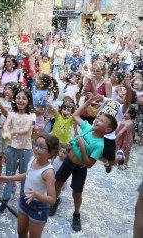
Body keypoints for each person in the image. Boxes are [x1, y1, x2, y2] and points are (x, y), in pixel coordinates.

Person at [49, 93, 118, 232]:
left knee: (77, 193)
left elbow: (89, 164)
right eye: (98, 117)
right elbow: (75, 116)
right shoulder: (88, 128)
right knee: (58, 183)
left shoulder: (99, 144)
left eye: (101, 120)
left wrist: (82, 147)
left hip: (80, 168)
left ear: (108, 129)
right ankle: (55, 201)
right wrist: (87, 103)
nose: (97, 119)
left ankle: (76, 214)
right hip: (68, 161)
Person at [0, 134, 59, 238]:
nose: (36, 149)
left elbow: (52, 199)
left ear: (51, 153)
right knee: (21, 231)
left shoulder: (48, 172)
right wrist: (8, 178)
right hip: (24, 200)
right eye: (35, 144)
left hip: (38, 207)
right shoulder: (33, 159)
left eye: (41, 147)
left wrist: (36, 195)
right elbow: (28, 175)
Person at [0, 88, 36, 213]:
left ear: (29, 101)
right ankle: (5, 199)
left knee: (24, 177)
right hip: (11, 149)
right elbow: (6, 124)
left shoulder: (32, 115)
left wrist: (14, 131)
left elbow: (26, 129)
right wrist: (5, 128)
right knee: (10, 174)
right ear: (15, 100)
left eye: (24, 98)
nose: (21, 100)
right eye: (18, 97)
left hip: (26, 150)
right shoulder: (11, 113)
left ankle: (23, 201)